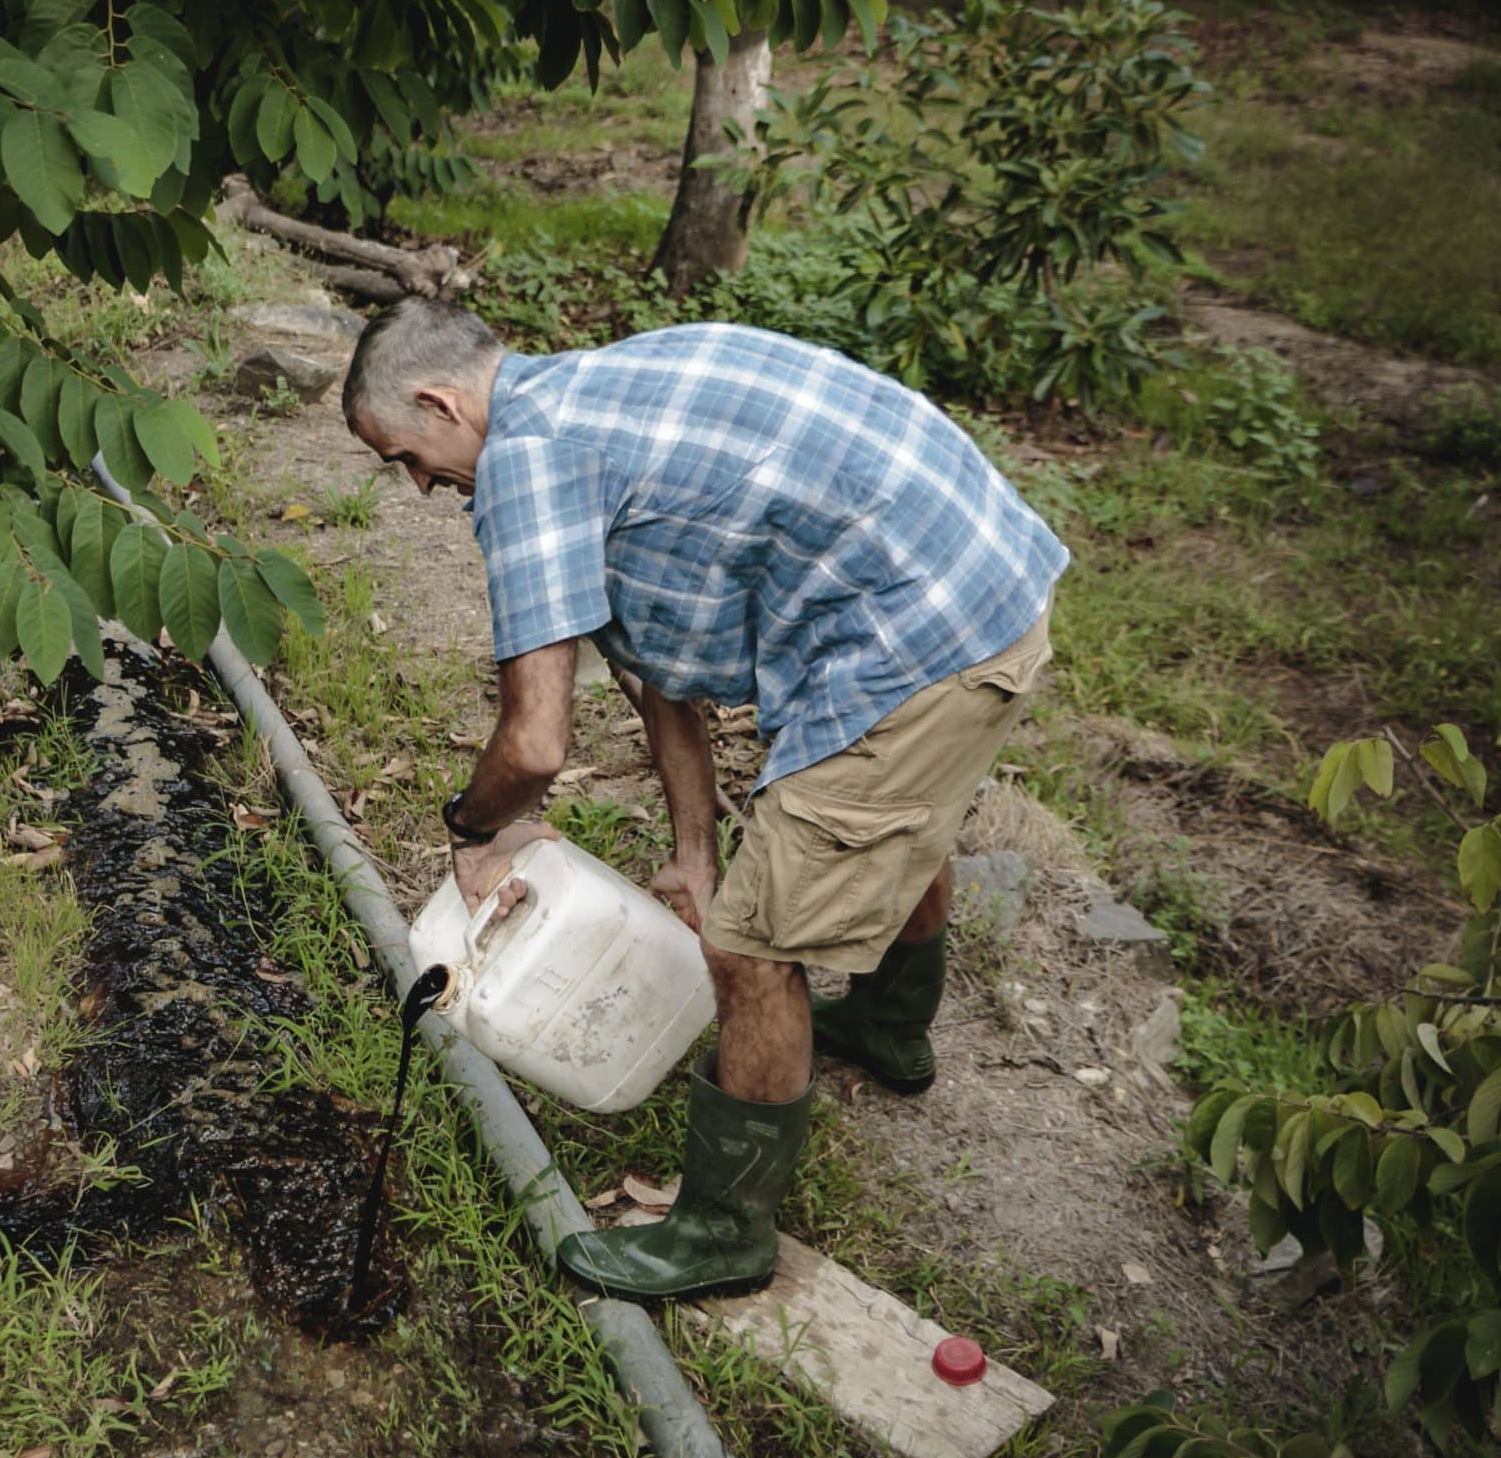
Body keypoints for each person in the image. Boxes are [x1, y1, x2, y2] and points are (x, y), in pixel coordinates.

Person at [341, 300, 1069, 1301]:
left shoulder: (526, 463)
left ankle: (725, 1231)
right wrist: (694, 849)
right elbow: (659, 670)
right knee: (891, 816)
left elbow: (534, 740)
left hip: (921, 634)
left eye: (407, 457)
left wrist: (472, 828)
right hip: (978, 581)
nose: (422, 485)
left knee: (748, 945)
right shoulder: (591, 397)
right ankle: (889, 1026)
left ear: (440, 400)